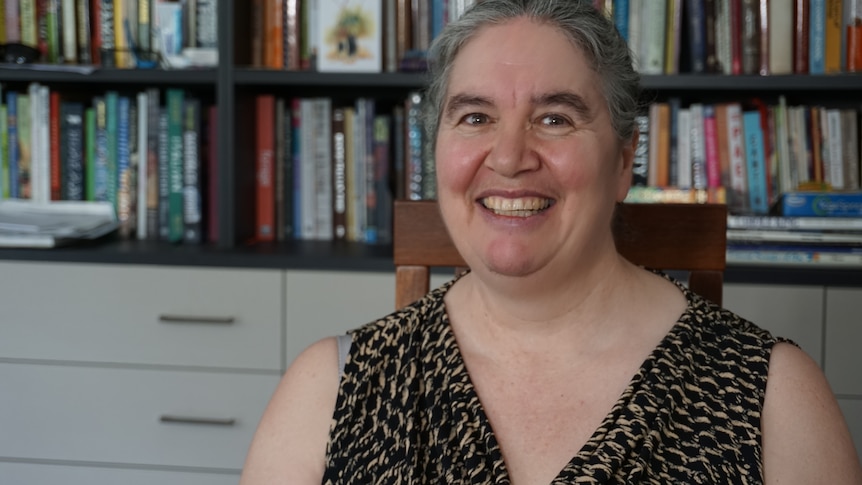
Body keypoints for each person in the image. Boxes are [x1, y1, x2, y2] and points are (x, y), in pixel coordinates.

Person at [240, 1, 862, 483]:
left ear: (623, 162)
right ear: (437, 152)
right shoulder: (333, 387)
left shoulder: (772, 399)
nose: (509, 158)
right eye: (475, 117)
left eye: (555, 118)